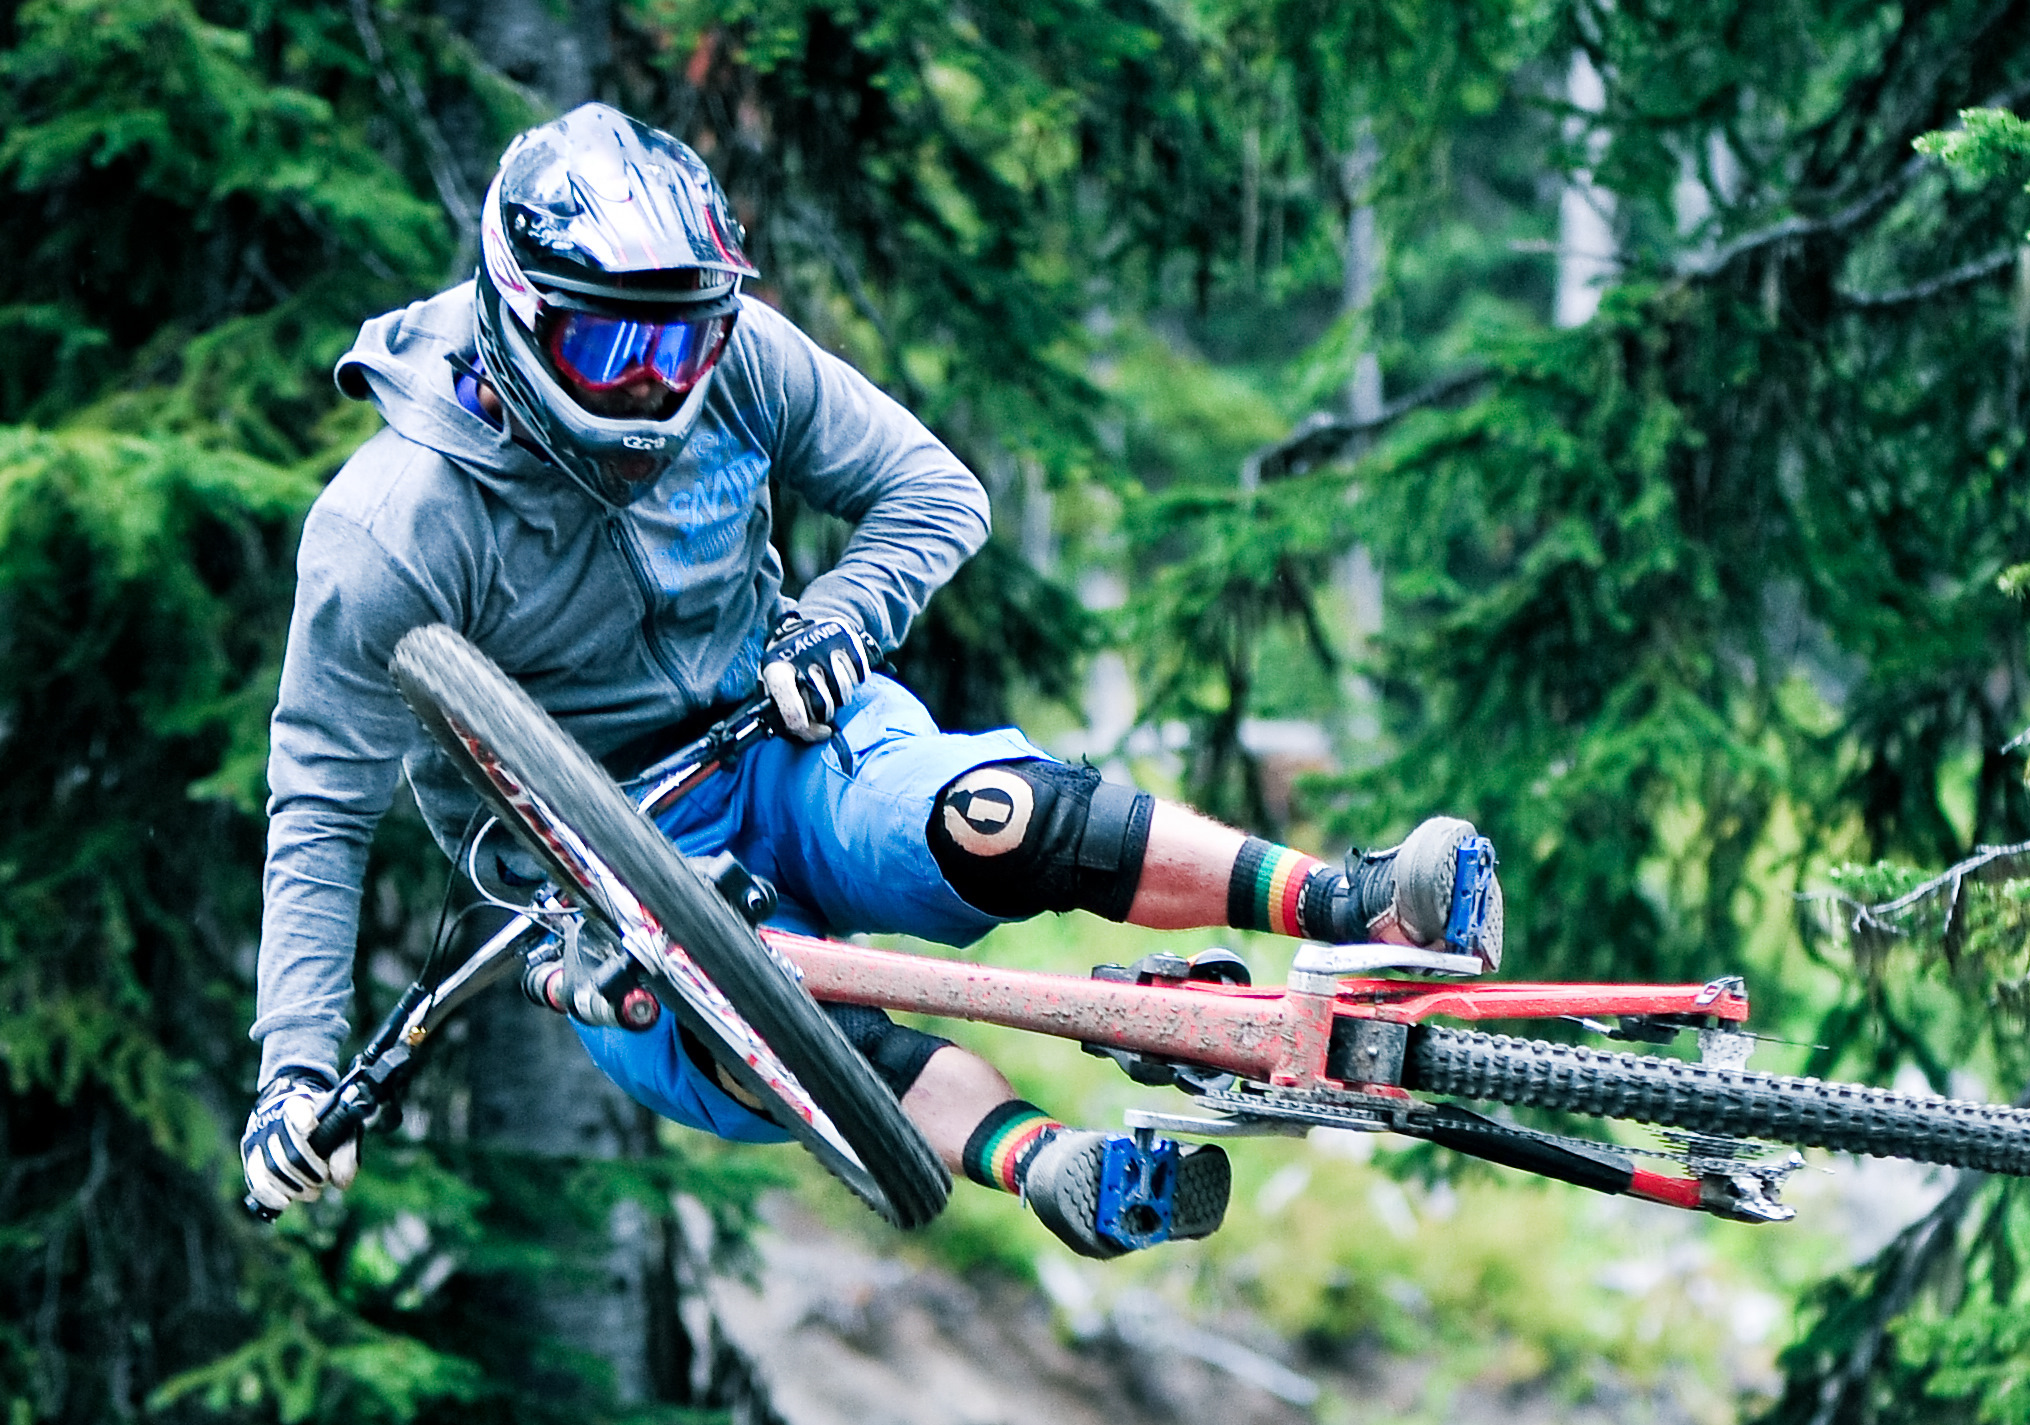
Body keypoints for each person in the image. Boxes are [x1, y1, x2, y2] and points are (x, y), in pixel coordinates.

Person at [240, 104, 1502, 1258]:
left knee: (995, 815)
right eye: (612, 345)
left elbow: (934, 491)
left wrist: (839, 620)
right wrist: (295, 1071)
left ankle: (1350, 901)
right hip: (601, 888)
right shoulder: (392, 527)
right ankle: (1058, 1167)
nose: (656, 383)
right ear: (518, 315)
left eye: (683, 343)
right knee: (759, 1036)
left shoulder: (738, 362)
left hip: (786, 741)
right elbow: (320, 811)